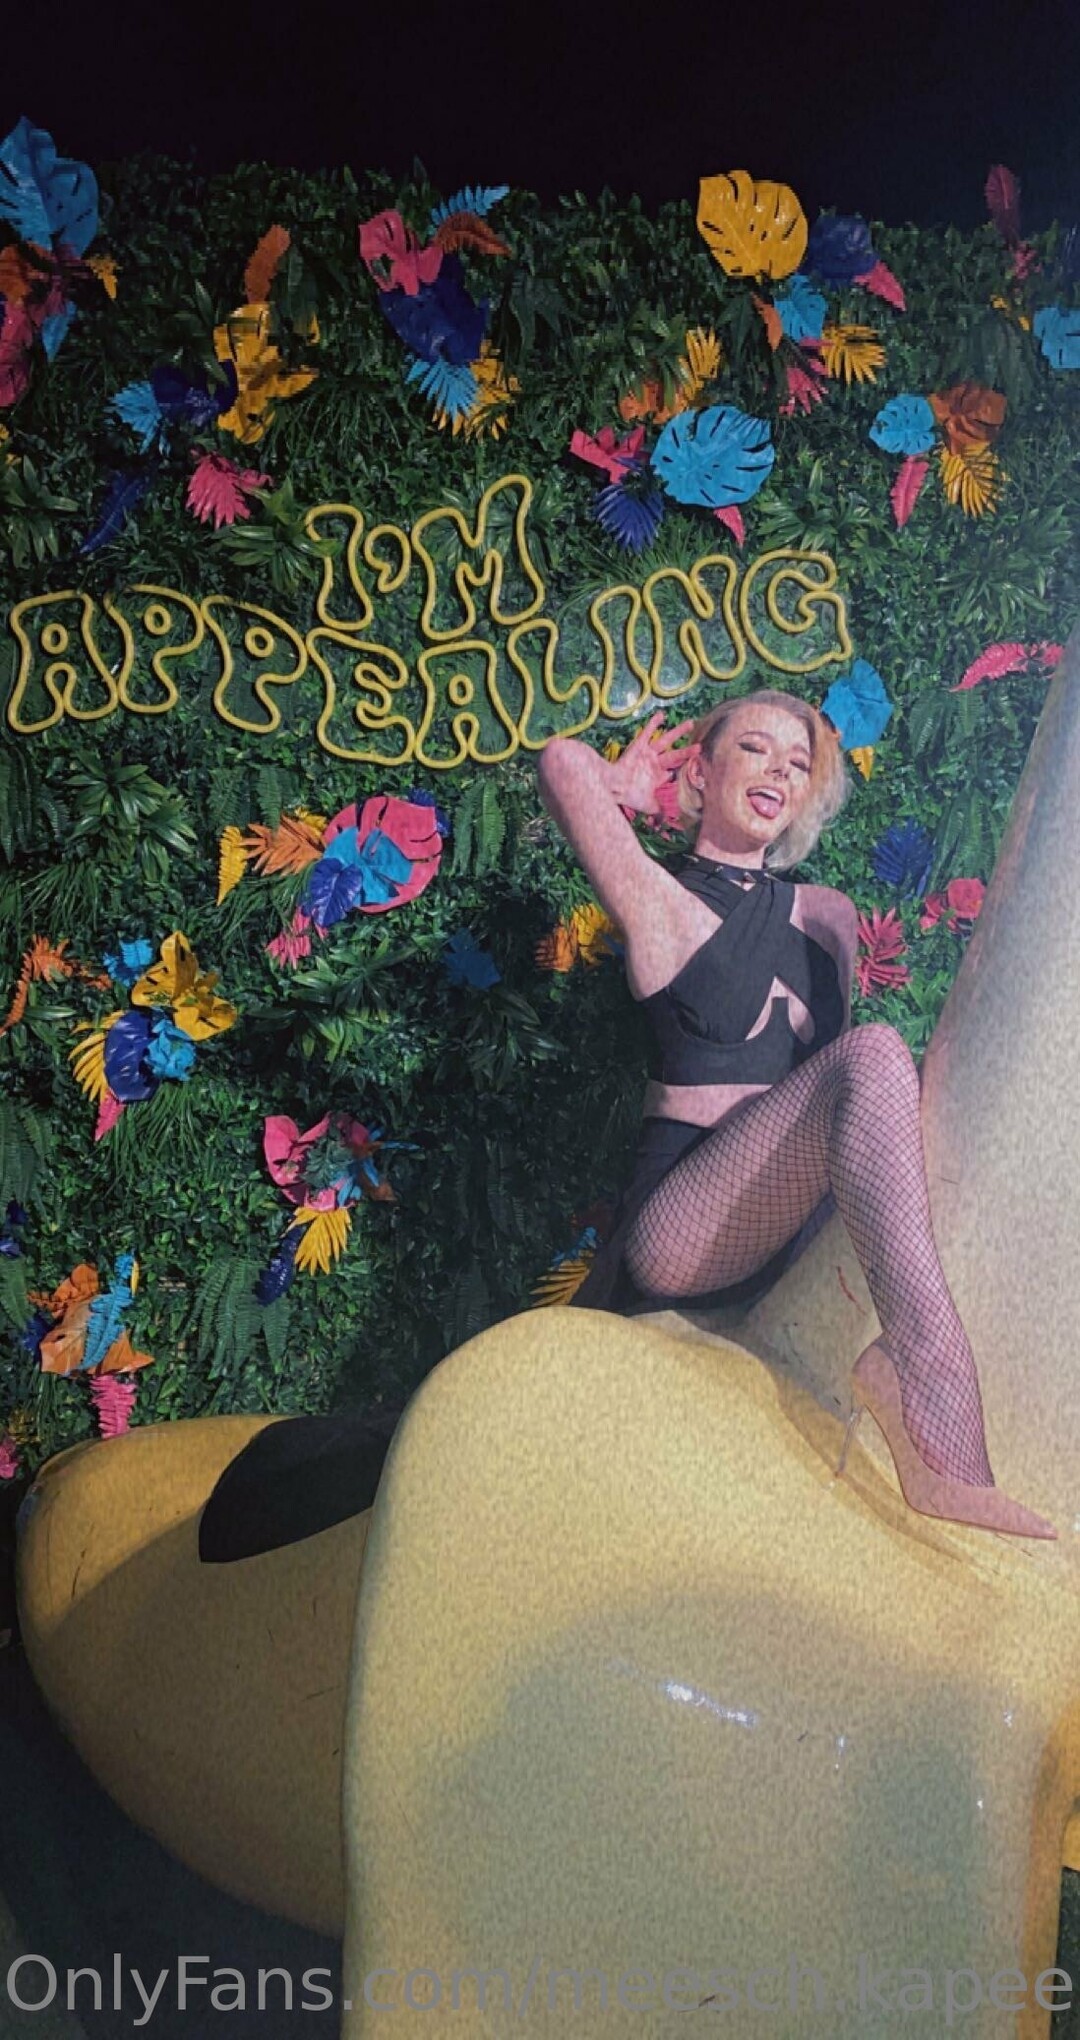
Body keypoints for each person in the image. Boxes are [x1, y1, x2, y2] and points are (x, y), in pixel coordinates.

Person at [537, 688, 1056, 1541]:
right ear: (703, 769)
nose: (778, 771)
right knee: (877, 1054)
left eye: (797, 762)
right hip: (682, 1233)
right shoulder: (661, 902)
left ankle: (913, 1372)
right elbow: (562, 763)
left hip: (792, 1231)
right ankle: (928, 1378)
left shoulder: (827, 917)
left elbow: (838, 1105)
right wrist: (627, 790)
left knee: (894, 1076)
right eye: (753, 748)